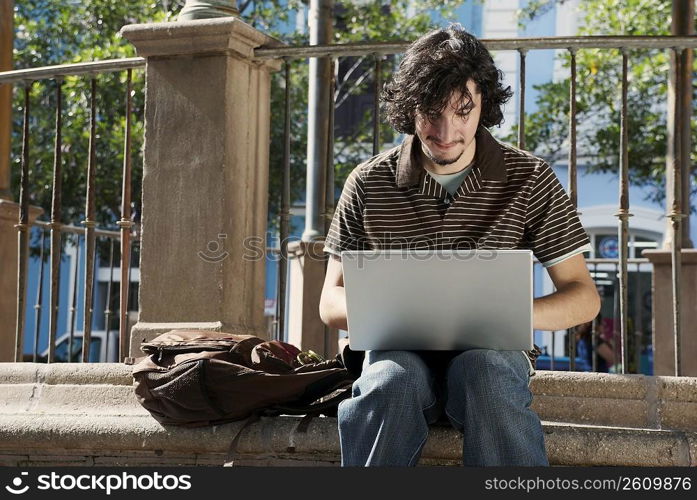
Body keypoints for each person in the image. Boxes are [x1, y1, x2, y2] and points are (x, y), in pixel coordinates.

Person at [319, 25, 600, 467]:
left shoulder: (530, 178)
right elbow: (330, 302)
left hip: (492, 360)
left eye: (463, 112)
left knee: (487, 373)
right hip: (395, 359)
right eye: (432, 112)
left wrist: (504, 313)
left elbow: (583, 296)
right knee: (391, 380)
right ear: (409, 108)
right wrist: (408, 314)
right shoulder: (369, 181)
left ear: (483, 105)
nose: (447, 131)